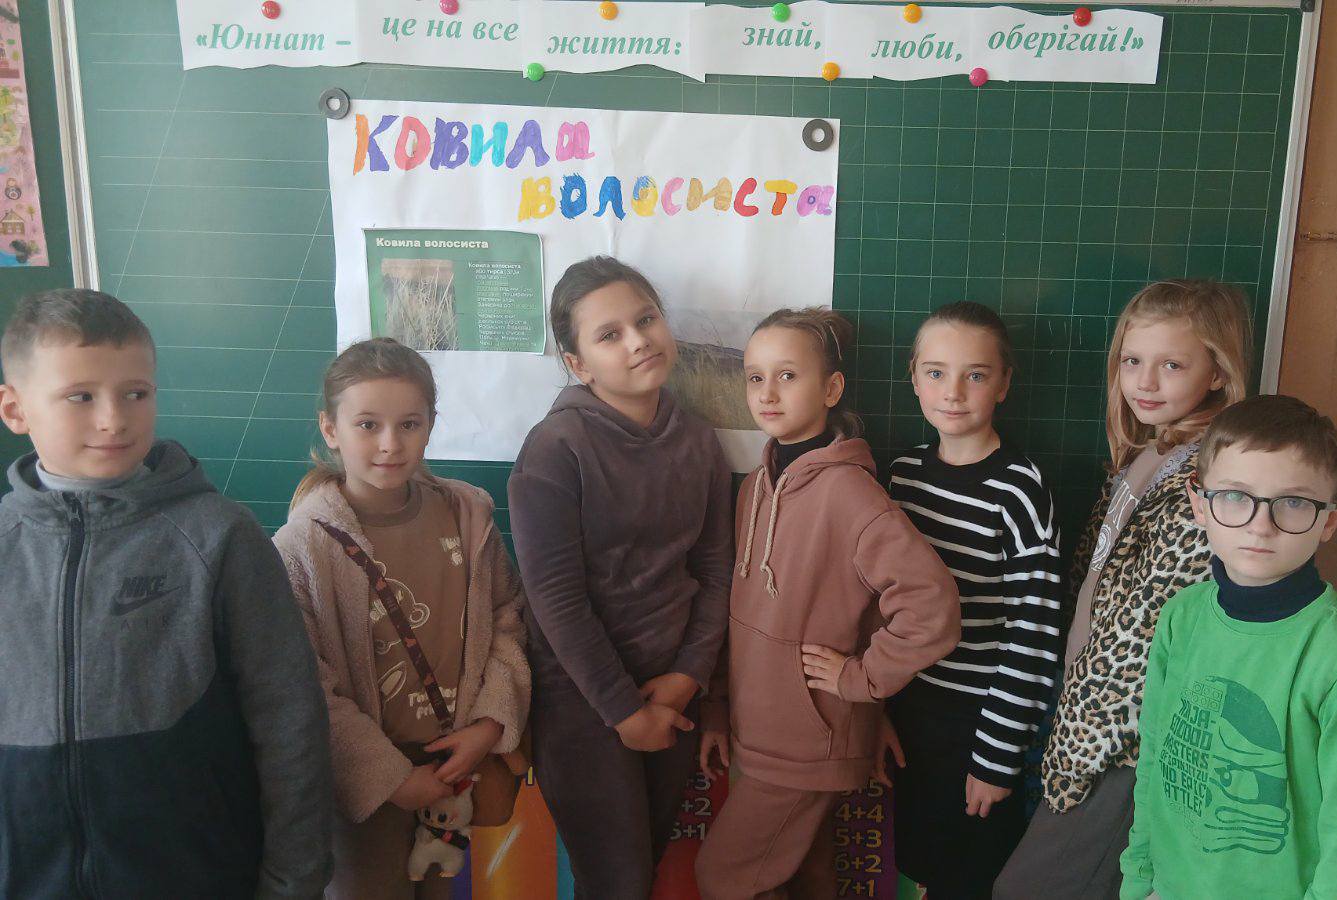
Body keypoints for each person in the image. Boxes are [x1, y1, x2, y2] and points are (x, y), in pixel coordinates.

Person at [0, 288, 333, 898]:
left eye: (136, 393)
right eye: (81, 396)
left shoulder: (218, 535)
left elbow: (289, 718)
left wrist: (293, 881)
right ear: (15, 409)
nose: (113, 419)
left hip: (196, 875)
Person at [997, 279, 1253, 900]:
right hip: (1083, 714)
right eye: (1132, 361)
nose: (1145, 381)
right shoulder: (1150, 455)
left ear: (1218, 373)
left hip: (1124, 744)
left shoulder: (1207, 482)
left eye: (1172, 365)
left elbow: (1139, 644)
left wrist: (1083, 752)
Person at [694, 307, 960, 900]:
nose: (767, 393)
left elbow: (932, 610)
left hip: (806, 742)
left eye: (787, 375)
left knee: (722, 877)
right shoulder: (755, 486)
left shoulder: (851, 495)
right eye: (755, 377)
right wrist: (716, 707)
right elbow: (744, 617)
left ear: (831, 388)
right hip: (758, 732)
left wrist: (861, 681)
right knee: (807, 870)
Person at [1119, 394, 1337, 899]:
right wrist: (1140, 879)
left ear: (1331, 519)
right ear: (1200, 504)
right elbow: (1157, 761)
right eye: (1235, 496)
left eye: (1293, 502)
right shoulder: (1182, 617)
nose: (1260, 525)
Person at [508, 256, 734, 899]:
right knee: (617, 880)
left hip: (672, 689)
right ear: (578, 364)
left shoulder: (698, 441)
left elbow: (715, 569)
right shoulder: (555, 448)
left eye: (646, 319)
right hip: (584, 698)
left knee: (646, 865)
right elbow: (554, 597)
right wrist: (623, 710)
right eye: (609, 335)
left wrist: (688, 677)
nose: (638, 341)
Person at [273, 338, 531, 899]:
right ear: (330, 429)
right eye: (368, 425)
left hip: (453, 768)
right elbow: (300, 684)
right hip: (362, 787)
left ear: (431, 425)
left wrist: (489, 724)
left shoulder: (467, 515)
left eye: (409, 424)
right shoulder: (301, 548)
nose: (390, 444)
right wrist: (389, 779)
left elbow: (507, 619)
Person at [883, 301, 1063, 898]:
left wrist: (996, 757)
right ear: (913, 378)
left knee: (969, 877)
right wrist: (877, 711)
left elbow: (1033, 634)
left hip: (980, 723)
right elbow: (878, 604)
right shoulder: (901, 477)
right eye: (935, 372)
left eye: (976, 375)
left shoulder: (1020, 490)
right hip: (910, 714)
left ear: (1004, 383)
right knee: (916, 865)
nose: (953, 392)